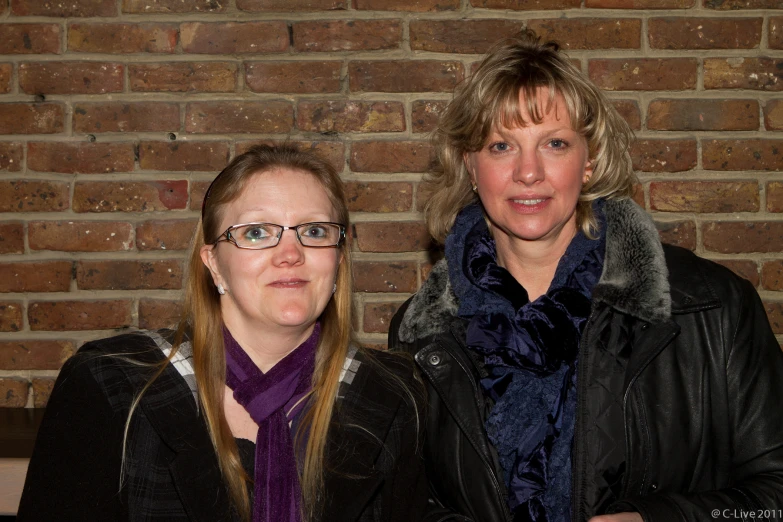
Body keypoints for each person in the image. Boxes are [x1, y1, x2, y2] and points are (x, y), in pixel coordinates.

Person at [388, 29, 783, 522]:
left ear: (589, 161)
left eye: (554, 143)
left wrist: (659, 520)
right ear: (469, 166)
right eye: (500, 146)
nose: (528, 172)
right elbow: (403, 502)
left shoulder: (711, 306)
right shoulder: (422, 333)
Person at [19, 144, 428, 522]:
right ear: (214, 264)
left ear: (338, 260)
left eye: (315, 231)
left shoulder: (388, 394)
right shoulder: (113, 387)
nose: (291, 254)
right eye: (256, 232)